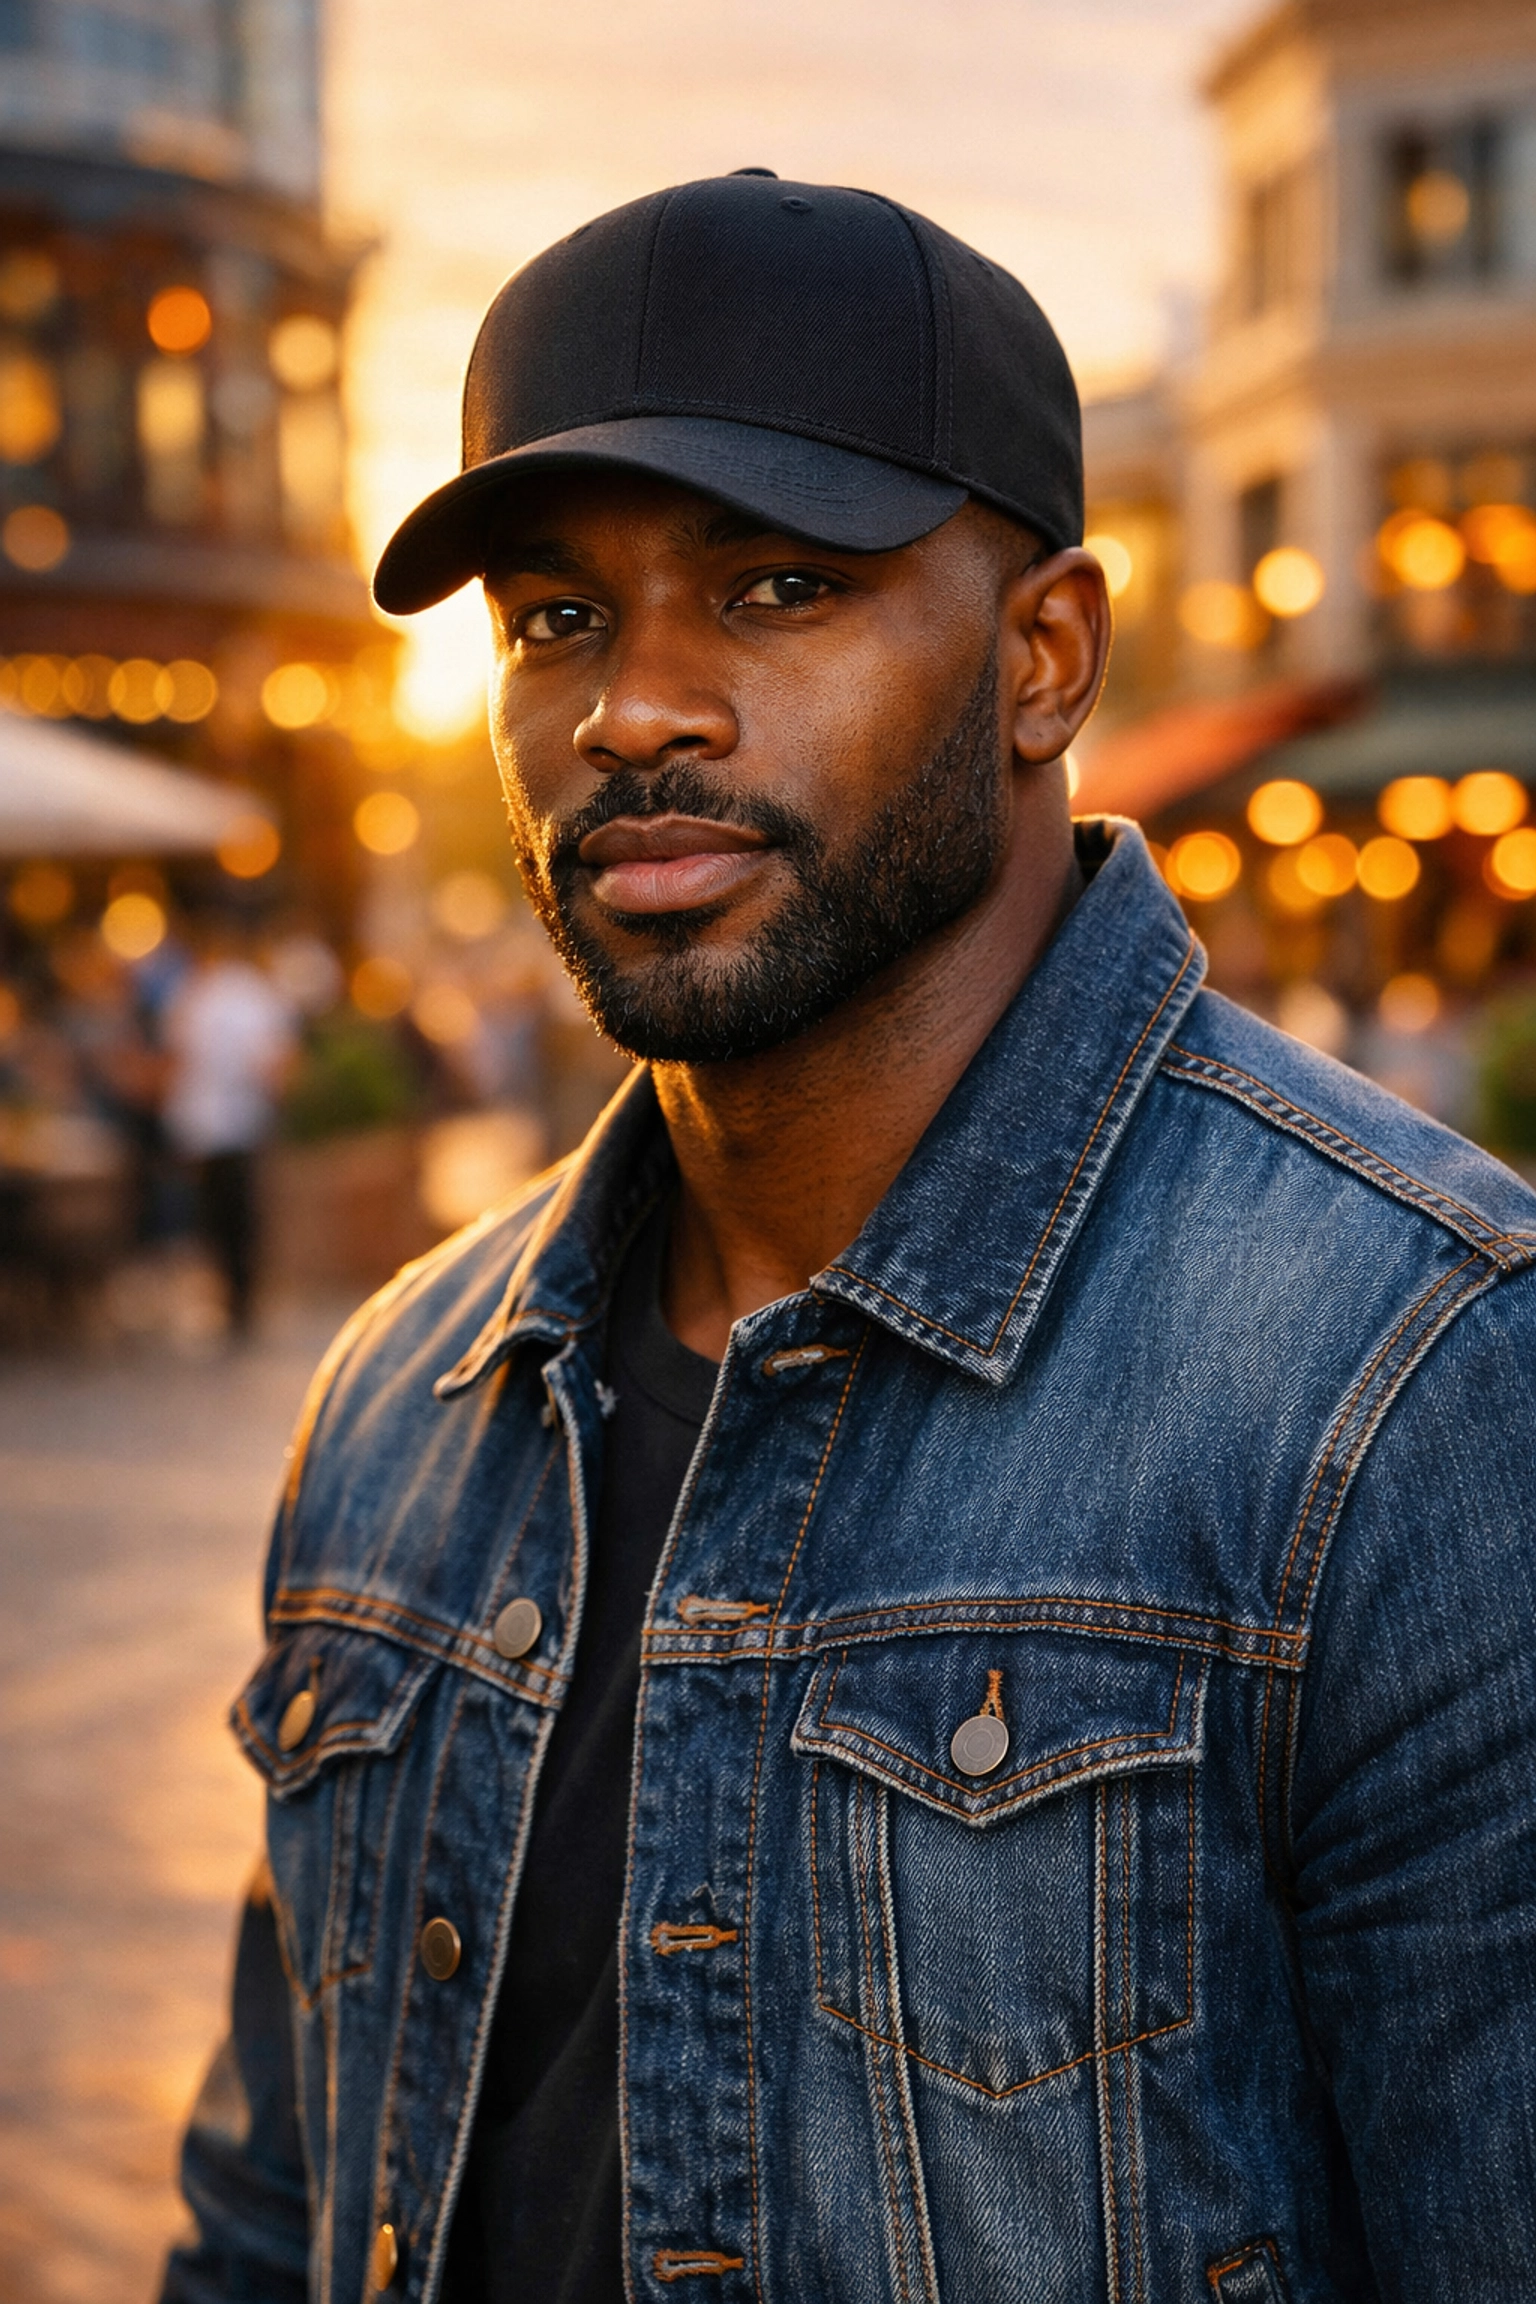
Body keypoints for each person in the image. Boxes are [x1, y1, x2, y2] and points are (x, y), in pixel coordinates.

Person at [163, 174, 1536, 2304]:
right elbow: (272, 2222)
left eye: (780, 586)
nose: (634, 710)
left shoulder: (1412, 1373)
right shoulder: (401, 1401)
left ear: (1043, 658)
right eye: (555, 617)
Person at [162, 921, 295, 1334]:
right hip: (241, 1122)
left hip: (202, 1125)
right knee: (243, 1218)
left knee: (213, 1218)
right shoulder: (255, 996)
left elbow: (176, 1058)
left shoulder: (195, 994)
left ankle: (226, 1297)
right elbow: (270, 1064)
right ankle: (242, 1301)